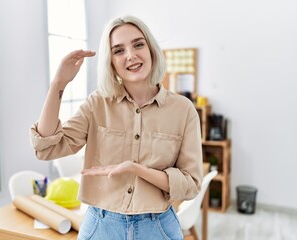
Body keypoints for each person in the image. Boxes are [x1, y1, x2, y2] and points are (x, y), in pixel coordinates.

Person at [30, 15, 203, 240]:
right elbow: (47, 149)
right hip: (100, 227)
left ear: (151, 49)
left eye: (138, 44)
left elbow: (191, 184)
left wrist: (136, 169)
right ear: (110, 61)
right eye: (118, 50)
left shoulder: (183, 109)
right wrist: (58, 85)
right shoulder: (97, 104)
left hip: (158, 227)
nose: (131, 55)